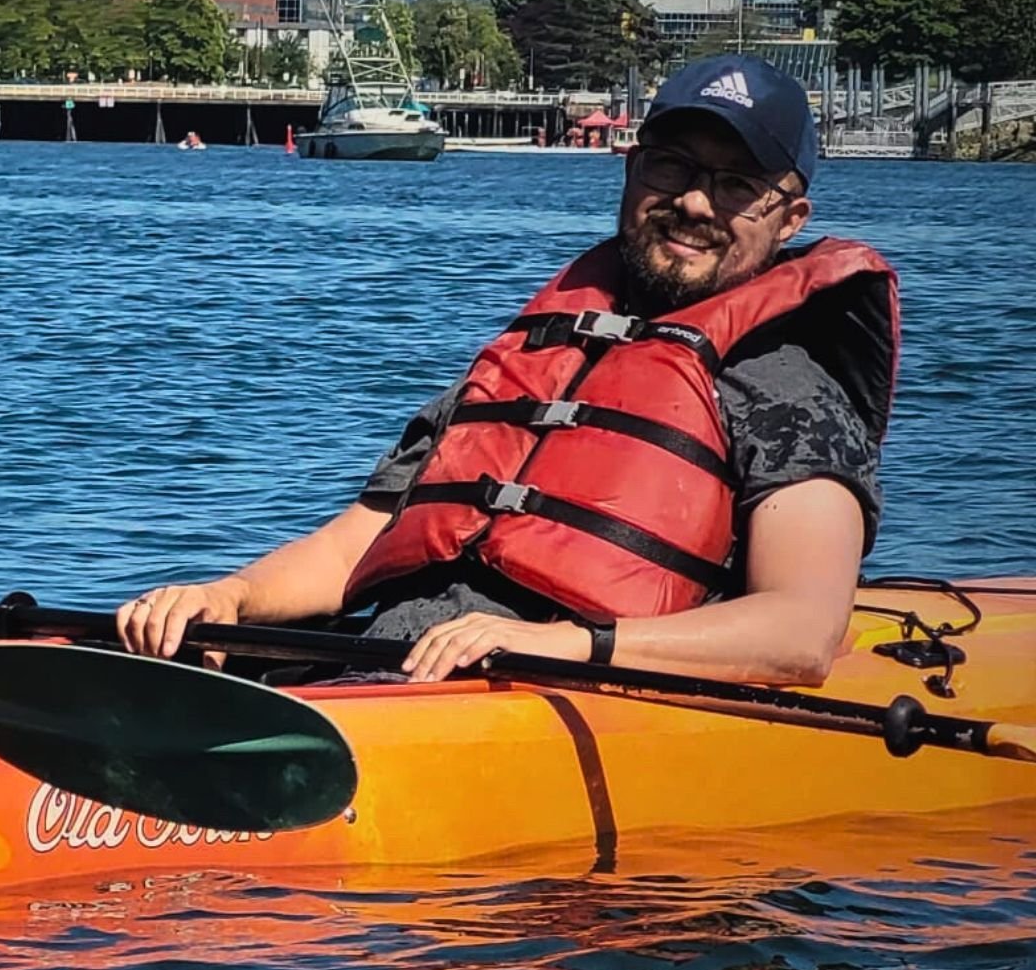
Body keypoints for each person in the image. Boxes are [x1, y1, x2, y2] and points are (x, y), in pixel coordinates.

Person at [118, 54, 896, 688]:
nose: (694, 202)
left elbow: (800, 633)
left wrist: (567, 644)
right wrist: (230, 599)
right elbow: (368, 535)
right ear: (631, 171)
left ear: (791, 219)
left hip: (558, 688)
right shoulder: (534, 352)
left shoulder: (790, 390)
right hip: (388, 665)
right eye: (673, 167)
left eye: (736, 184)